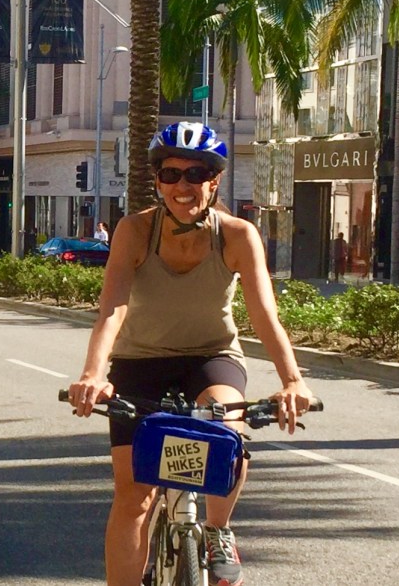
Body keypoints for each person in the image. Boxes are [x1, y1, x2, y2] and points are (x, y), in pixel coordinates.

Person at [67, 122, 314, 586]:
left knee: (227, 432)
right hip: (139, 362)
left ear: (214, 180)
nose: (183, 185)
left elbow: (264, 315)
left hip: (210, 355)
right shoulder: (134, 230)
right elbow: (113, 308)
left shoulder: (238, 235)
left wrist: (292, 380)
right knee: (134, 497)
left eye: (196, 174)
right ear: (157, 181)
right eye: (171, 174)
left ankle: (218, 529)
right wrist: (93, 374)